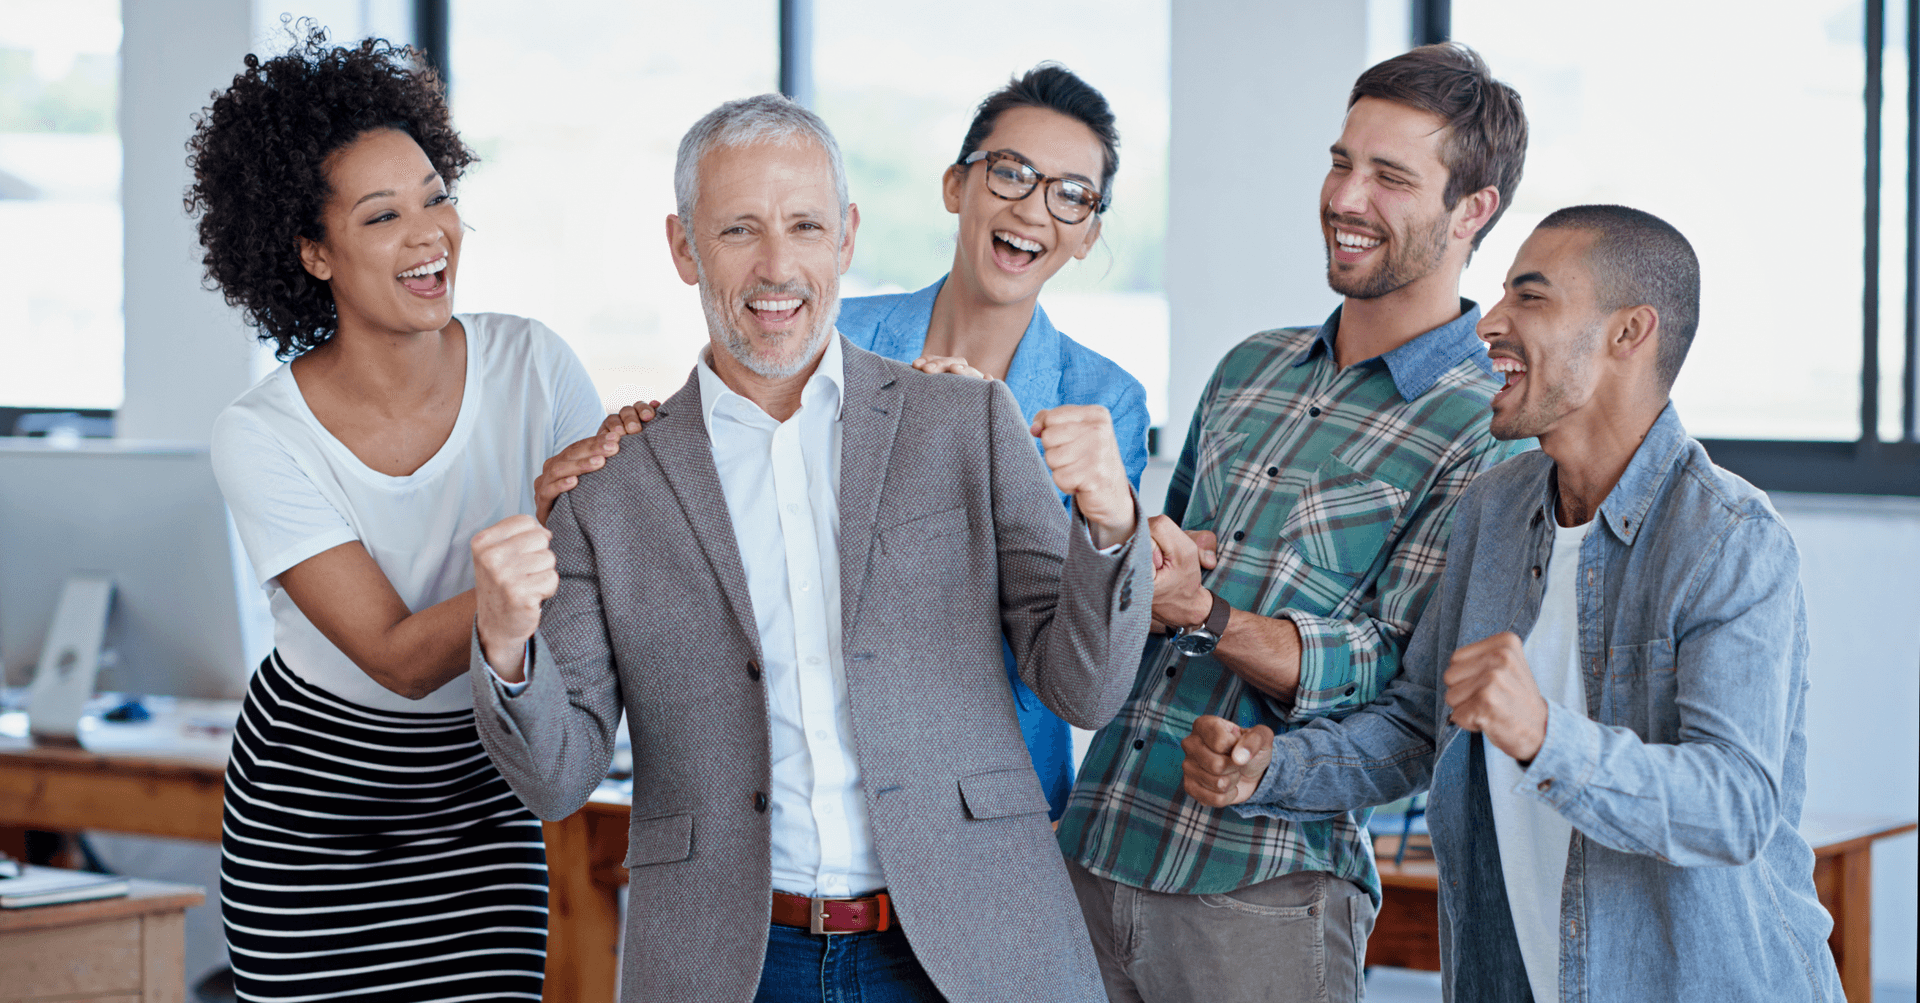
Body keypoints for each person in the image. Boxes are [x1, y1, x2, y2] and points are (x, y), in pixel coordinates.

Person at [467, 94, 1152, 1003]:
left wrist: (1109, 523)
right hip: (734, 964)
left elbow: (1085, 689)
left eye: (804, 225)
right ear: (683, 248)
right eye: (740, 229)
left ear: (848, 237)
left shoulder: (965, 423)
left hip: (974, 944)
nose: (778, 264)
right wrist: (506, 643)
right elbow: (557, 780)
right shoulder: (611, 490)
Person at [1181, 206, 1844, 1003]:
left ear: (1627, 333)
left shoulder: (1729, 538)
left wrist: (1543, 735)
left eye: (1530, 298)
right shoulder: (1495, 507)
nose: (1487, 324)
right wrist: (1272, 765)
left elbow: (1734, 809)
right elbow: (1420, 724)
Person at [1054, 42, 1531, 1002]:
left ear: (1472, 210)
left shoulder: (1490, 433)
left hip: (1262, 892)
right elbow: (1161, 583)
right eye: (1342, 161)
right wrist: (1140, 563)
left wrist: (1205, 610)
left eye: (1390, 177)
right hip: (1094, 849)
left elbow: (1401, 686)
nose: (1346, 197)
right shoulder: (1247, 370)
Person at [191, 30, 609, 1000]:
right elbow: (397, 654)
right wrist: (547, 528)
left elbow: (609, 570)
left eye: (437, 195)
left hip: (480, 794)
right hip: (314, 813)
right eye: (383, 215)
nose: (431, 234)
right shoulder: (261, 432)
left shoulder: (533, 366)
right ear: (312, 252)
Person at [836, 63, 1151, 821]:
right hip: (829, 789)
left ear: (1089, 234)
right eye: (1011, 173)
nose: (1035, 209)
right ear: (957, 187)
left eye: (1072, 194)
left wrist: (999, 446)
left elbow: (1085, 665)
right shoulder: (835, 340)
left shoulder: (1105, 402)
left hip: (997, 810)